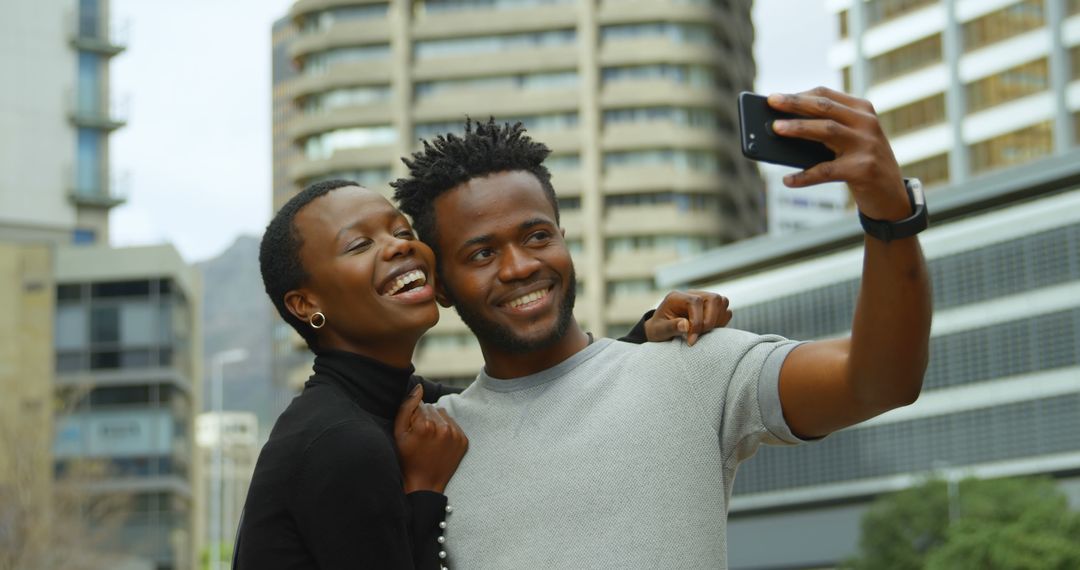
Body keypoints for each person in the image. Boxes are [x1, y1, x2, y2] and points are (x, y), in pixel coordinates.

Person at [390, 87, 932, 569]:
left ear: (563, 236)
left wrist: (890, 212)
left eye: (536, 236)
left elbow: (881, 381)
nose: (519, 266)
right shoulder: (429, 444)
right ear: (439, 285)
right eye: (482, 253)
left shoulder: (692, 364)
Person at [234, 180, 734, 569]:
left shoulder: (393, 403)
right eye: (360, 244)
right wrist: (424, 491)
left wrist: (640, 340)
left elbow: (513, 403)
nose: (397, 247)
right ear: (307, 304)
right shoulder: (337, 442)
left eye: (402, 231)